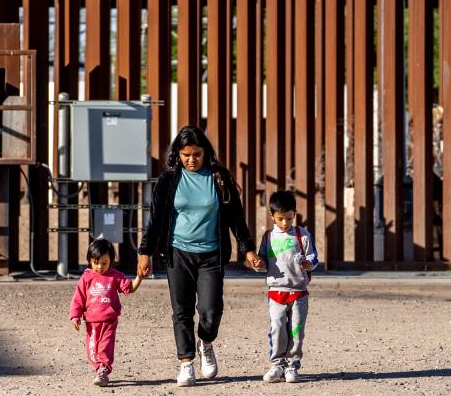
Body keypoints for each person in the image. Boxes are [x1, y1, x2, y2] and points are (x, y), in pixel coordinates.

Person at [137, 125, 264, 386]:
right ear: (178, 154)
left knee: (211, 311)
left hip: (211, 255)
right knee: (181, 311)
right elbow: (156, 220)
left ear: (206, 152)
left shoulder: (220, 178)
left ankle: (205, 343)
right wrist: (145, 253)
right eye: (186, 155)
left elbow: (236, 218)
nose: (191, 160)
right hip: (177, 253)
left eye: (196, 154)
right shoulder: (168, 180)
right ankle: (186, 363)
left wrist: (248, 250)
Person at [256, 190, 319, 383]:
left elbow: (314, 259)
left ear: (295, 214)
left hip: (299, 292)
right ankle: (277, 365)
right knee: (277, 328)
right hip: (276, 292)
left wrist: (308, 264)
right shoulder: (268, 237)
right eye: (281, 219)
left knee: (296, 331)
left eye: (289, 219)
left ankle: (292, 366)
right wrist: (259, 265)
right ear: (272, 216)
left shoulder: (303, 235)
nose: (285, 223)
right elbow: (263, 261)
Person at [69, 238, 143, 386]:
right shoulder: (86, 278)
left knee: (105, 346)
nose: (99, 266)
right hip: (91, 322)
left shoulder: (115, 276)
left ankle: (103, 370)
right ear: (90, 259)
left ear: (111, 261)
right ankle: (98, 367)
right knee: (92, 349)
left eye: (104, 263)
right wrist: (75, 316)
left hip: (109, 320)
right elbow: (78, 299)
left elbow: (129, 288)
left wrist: (139, 277)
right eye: (96, 262)